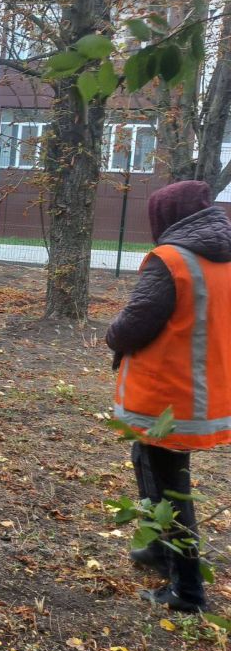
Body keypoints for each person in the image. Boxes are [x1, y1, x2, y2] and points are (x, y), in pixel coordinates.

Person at [107, 179, 231, 613]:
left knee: (169, 488)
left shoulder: (172, 259)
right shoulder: (222, 258)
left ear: (167, 217)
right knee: (150, 465)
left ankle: (188, 591)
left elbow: (137, 321)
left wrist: (112, 334)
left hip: (167, 396)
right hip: (201, 391)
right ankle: (158, 550)